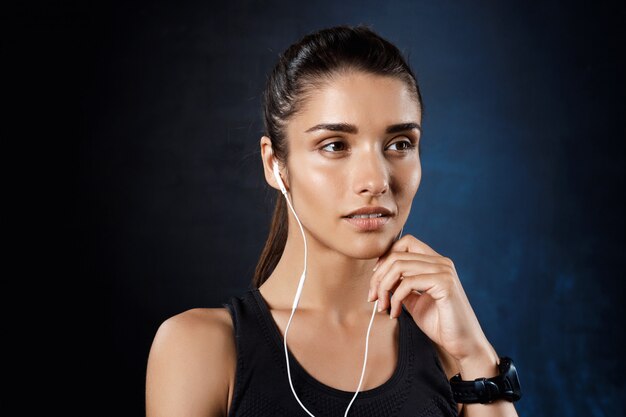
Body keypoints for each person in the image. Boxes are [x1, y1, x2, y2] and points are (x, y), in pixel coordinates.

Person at [146, 24, 521, 417]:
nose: (376, 180)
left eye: (399, 144)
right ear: (276, 165)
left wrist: (476, 355)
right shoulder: (203, 348)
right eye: (335, 146)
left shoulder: (449, 353)